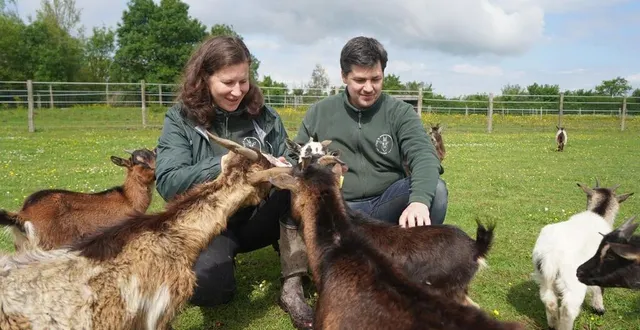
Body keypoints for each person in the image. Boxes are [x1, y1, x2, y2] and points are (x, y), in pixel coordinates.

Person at [285, 36, 449, 324]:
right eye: (360, 79)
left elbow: (425, 156)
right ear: (344, 76)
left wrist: (419, 202)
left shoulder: (401, 113)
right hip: (340, 209)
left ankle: (409, 275)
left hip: (386, 202)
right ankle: (302, 277)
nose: (369, 87)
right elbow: (295, 158)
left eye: (376, 78)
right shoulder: (320, 112)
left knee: (435, 190)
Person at [154, 35, 312, 328]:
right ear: (204, 78)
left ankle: (294, 282)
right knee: (209, 290)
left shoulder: (263, 117)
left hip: (258, 216)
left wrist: (284, 166)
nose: (237, 91)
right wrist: (226, 163)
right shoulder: (181, 120)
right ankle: (221, 264)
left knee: (299, 190)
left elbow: (286, 158)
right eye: (227, 82)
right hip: (211, 224)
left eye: (243, 81)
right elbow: (168, 181)